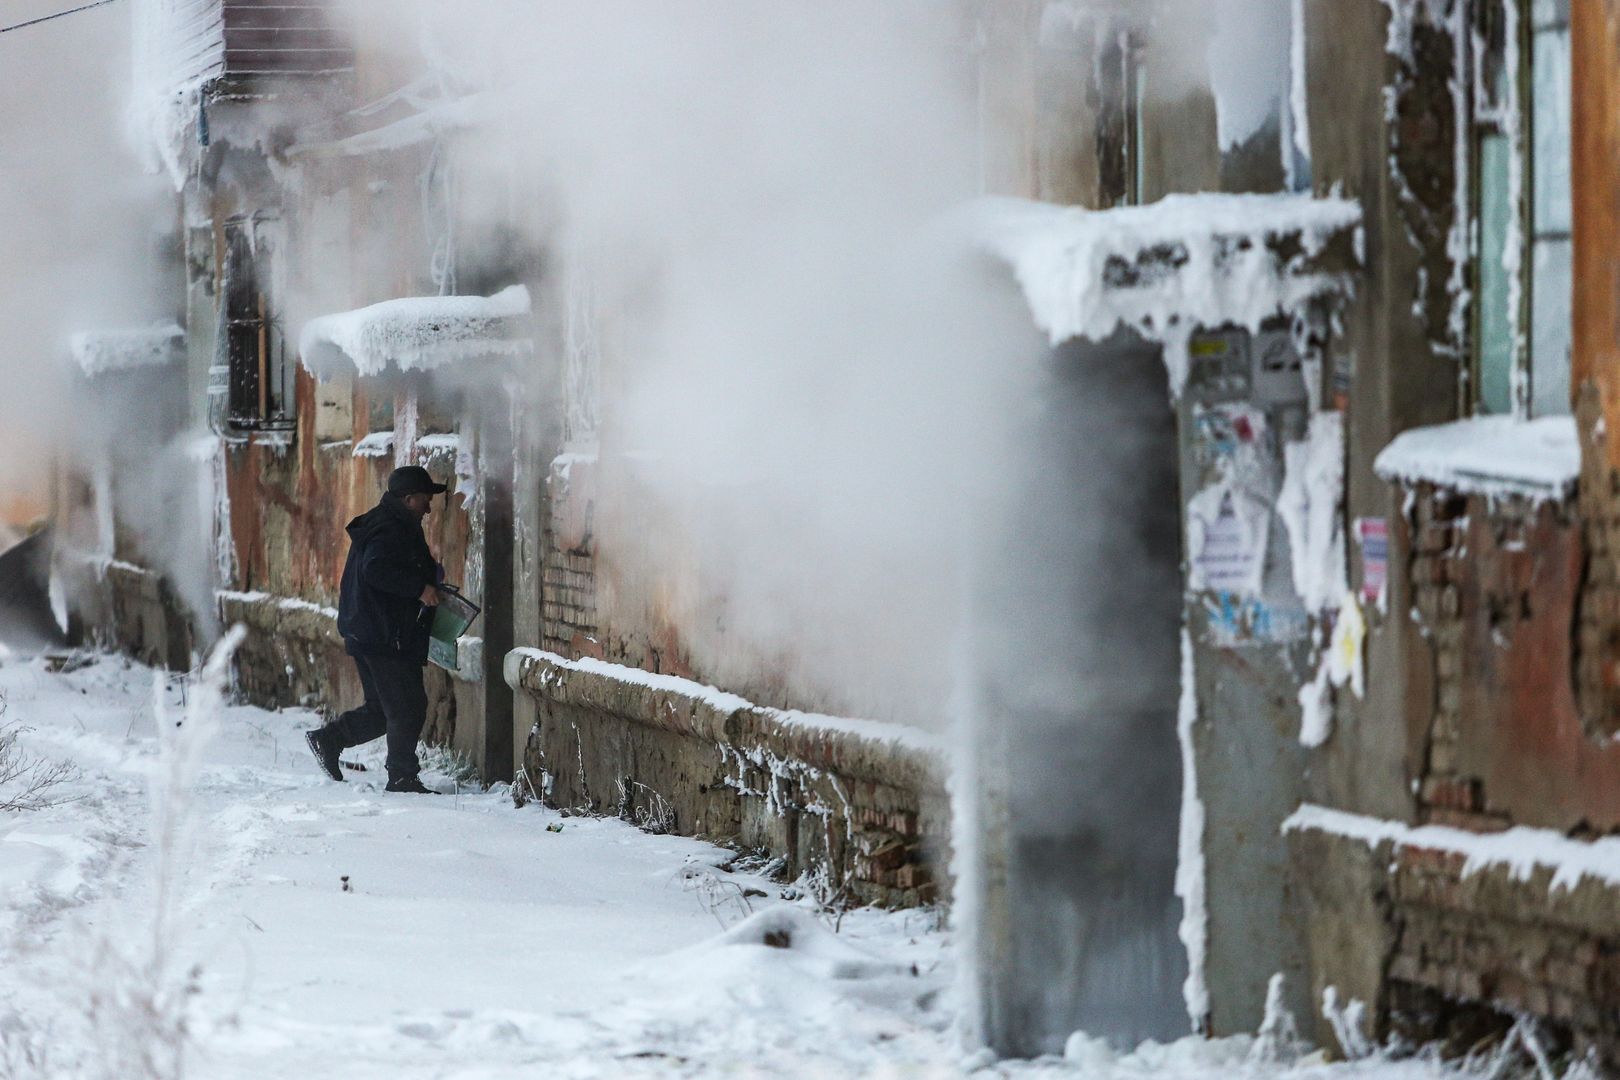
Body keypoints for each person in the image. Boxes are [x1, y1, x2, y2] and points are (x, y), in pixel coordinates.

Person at [306, 465, 446, 794]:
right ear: (409, 499)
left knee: (383, 709)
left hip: (369, 631)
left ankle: (329, 739)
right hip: (384, 635)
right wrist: (418, 588)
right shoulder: (390, 527)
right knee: (407, 706)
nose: (429, 506)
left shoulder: (392, 521)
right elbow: (376, 570)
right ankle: (402, 777)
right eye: (425, 499)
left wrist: (428, 577)